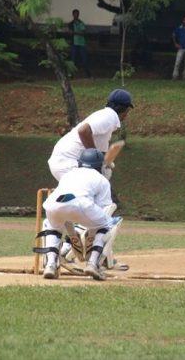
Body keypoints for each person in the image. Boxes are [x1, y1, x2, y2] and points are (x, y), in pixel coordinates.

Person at [47, 88, 133, 271]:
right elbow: (84, 131)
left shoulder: (105, 120)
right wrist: (97, 159)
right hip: (69, 162)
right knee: (91, 206)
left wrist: (104, 165)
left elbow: (99, 152)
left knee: (92, 207)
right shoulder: (108, 116)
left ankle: (102, 257)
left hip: (65, 161)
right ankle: (68, 250)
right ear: (125, 110)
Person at [39, 148, 120, 280]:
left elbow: (67, 205)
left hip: (53, 204)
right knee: (108, 225)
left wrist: (72, 235)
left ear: (80, 162)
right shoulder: (102, 179)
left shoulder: (68, 174)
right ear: (99, 166)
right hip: (81, 205)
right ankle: (93, 263)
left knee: (52, 227)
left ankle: (50, 265)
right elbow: (105, 208)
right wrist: (91, 234)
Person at [69, 9, 91, 78]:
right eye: (75, 14)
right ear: (73, 15)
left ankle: (88, 74)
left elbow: (83, 33)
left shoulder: (81, 23)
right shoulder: (70, 24)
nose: (76, 15)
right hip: (74, 43)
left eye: (77, 14)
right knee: (72, 60)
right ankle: (71, 74)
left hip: (81, 43)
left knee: (84, 59)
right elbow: (70, 33)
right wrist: (76, 32)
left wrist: (74, 32)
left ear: (78, 15)